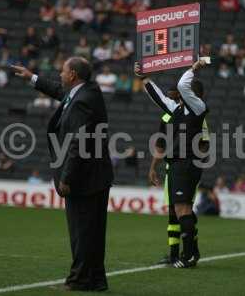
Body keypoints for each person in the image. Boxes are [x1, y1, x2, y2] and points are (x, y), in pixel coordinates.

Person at [11, 56, 113, 291]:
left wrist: (67, 177)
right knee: (94, 233)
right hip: (96, 176)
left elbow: (79, 142)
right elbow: (60, 92)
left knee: (82, 233)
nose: (60, 74)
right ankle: (96, 280)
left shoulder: (81, 100)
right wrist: (32, 77)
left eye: (63, 71)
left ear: (73, 75)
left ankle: (78, 280)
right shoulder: (87, 92)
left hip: (83, 178)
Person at [135, 59, 208, 268]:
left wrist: (193, 68)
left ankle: (189, 255)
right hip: (177, 164)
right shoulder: (179, 110)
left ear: (190, 95)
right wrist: (144, 78)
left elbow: (184, 85)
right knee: (180, 210)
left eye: (182, 91)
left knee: (183, 210)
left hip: (186, 163)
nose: (178, 91)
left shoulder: (197, 108)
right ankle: (190, 254)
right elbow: (158, 97)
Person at [148, 86, 209, 266]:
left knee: (183, 209)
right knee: (174, 211)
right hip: (172, 167)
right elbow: (160, 143)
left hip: (186, 167)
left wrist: (191, 157)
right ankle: (175, 254)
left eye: (173, 91)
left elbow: (205, 144)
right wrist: (153, 167)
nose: (170, 94)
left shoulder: (197, 115)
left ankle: (190, 252)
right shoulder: (168, 116)